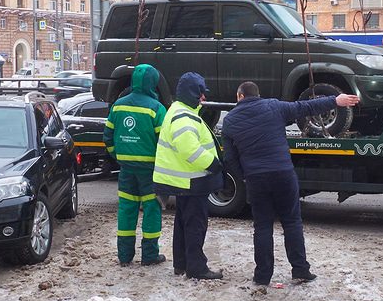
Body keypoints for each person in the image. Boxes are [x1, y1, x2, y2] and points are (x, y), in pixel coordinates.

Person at [222, 82, 360, 286]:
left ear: (239, 96)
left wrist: (246, 174)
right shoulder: (274, 106)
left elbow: (230, 158)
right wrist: (335, 101)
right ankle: (300, 270)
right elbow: (305, 107)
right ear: (258, 95)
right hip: (282, 173)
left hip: (256, 178)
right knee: (292, 222)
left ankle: (262, 276)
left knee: (262, 227)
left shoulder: (230, 120)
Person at [153, 72, 224, 280]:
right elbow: (189, 149)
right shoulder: (183, 116)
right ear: (192, 93)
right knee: (195, 225)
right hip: (191, 181)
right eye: (201, 93)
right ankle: (196, 268)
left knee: (184, 223)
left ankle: (182, 264)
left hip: (184, 180)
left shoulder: (179, 111)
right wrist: (213, 164)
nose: (203, 98)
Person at [103, 64, 167, 267]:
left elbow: (108, 137)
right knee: (151, 210)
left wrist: (118, 156)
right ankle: (149, 256)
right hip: (150, 171)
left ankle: (124, 256)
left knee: (126, 210)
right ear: (153, 83)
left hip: (126, 170)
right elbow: (163, 142)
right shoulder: (156, 108)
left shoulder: (118, 105)